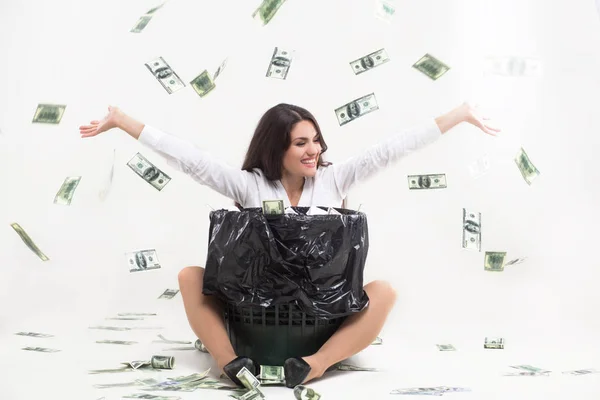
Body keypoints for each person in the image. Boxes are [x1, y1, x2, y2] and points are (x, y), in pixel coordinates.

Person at [79, 101, 500, 388]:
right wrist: (123, 121)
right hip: (256, 317)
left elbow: (389, 150)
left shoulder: (334, 181)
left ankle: (315, 365)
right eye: (302, 142)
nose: (314, 150)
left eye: (316, 140)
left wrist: (457, 116)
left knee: (385, 291)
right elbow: (189, 159)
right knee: (190, 276)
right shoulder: (250, 185)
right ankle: (230, 363)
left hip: (322, 317)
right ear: (276, 147)